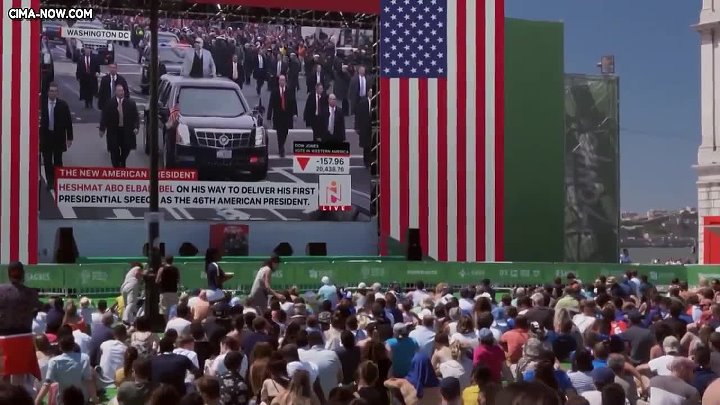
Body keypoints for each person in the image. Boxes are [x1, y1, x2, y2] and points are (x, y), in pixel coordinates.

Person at [0, 261, 43, 384]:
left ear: (8, 274)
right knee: (19, 377)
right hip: (23, 338)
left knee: (3, 374)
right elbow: (38, 308)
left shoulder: (1, 290)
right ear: (23, 274)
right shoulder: (31, 293)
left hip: (3, 338)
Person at [35, 335, 98, 405]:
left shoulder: (54, 361)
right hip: (82, 400)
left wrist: (37, 402)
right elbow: (89, 381)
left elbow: (47, 384)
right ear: (73, 345)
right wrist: (95, 398)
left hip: (63, 401)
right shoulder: (84, 358)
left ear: (60, 347)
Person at [40, 82, 73, 190]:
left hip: (58, 137)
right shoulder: (42, 104)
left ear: (58, 93)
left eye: (55, 91)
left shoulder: (63, 105)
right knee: (47, 161)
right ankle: (50, 181)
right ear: (48, 92)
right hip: (46, 137)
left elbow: (68, 122)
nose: (53, 93)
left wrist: (69, 137)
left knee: (58, 160)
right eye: (51, 91)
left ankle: (58, 180)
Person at [99, 83, 139, 168]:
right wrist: (102, 128)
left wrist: (136, 127)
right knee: (114, 151)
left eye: (122, 91)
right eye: (119, 91)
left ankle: (122, 160)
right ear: (116, 92)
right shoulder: (110, 103)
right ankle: (117, 167)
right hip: (114, 131)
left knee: (126, 149)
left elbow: (135, 116)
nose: (121, 92)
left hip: (126, 130)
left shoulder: (130, 103)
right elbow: (105, 116)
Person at [266, 75, 297, 158]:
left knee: (285, 132)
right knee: (279, 133)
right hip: (278, 116)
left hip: (287, 116)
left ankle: (281, 145)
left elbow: (294, 103)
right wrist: (269, 116)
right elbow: (271, 104)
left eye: (283, 80)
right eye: (281, 80)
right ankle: (281, 148)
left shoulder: (289, 91)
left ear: (285, 81)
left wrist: (295, 114)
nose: (282, 81)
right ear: (279, 81)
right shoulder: (275, 91)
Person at [354, 86, 374, 168]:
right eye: (370, 92)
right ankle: (366, 161)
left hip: (373, 127)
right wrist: (357, 127)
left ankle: (372, 160)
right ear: (368, 93)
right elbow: (358, 115)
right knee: (366, 145)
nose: (372, 93)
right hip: (364, 127)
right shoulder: (362, 103)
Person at [156, 258, 180, 323]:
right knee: (173, 308)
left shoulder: (161, 269)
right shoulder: (176, 269)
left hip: (164, 291)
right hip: (173, 291)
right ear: (172, 261)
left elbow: (157, 281)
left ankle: (167, 324)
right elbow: (178, 280)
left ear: (165, 261)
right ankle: (173, 323)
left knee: (164, 309)